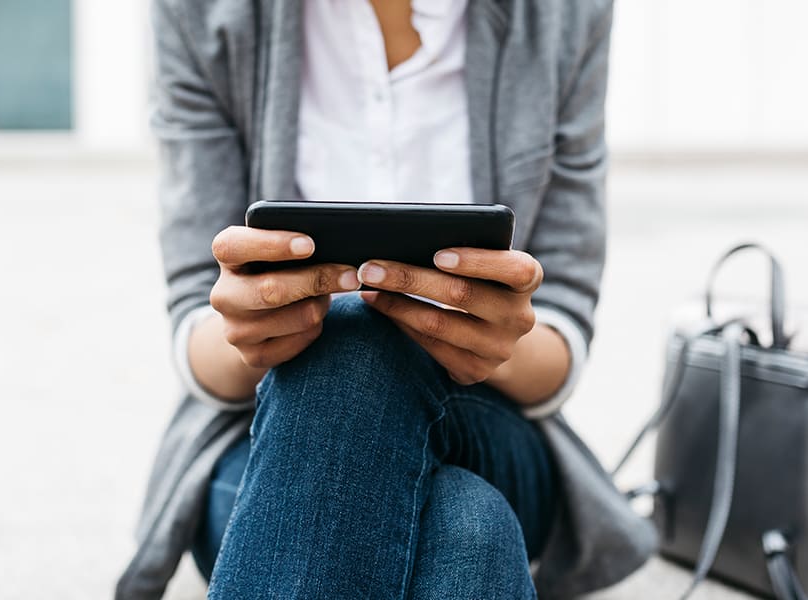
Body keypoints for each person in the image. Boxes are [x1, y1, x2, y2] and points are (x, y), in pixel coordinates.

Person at [116, 1, 656, 599]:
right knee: (467, 528)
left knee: (358, 337)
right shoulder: (201, 11)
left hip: (487, 420)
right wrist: (255, 324)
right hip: (258, 432)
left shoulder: (564, 13)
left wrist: (496, 337)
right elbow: (196, 323)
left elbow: (564, 326)